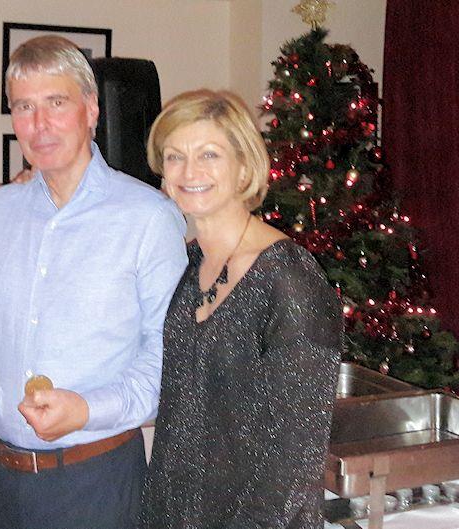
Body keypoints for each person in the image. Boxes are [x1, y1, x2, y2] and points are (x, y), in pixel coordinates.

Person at [0, 36, 188, 529]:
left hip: (94, 480)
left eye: (56, 102)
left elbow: (168, 360)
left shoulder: (148, 218)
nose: (40, 124)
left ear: (91, 109)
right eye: (24, 107)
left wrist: (86, 409)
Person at [139, 89, 343, 529]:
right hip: (175, 512)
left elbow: (295, 457)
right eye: (174, 157)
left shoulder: (289, 280)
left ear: (244, 167)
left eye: (209, 154)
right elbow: (182, 414)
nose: (189, 171)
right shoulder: (194, 265)